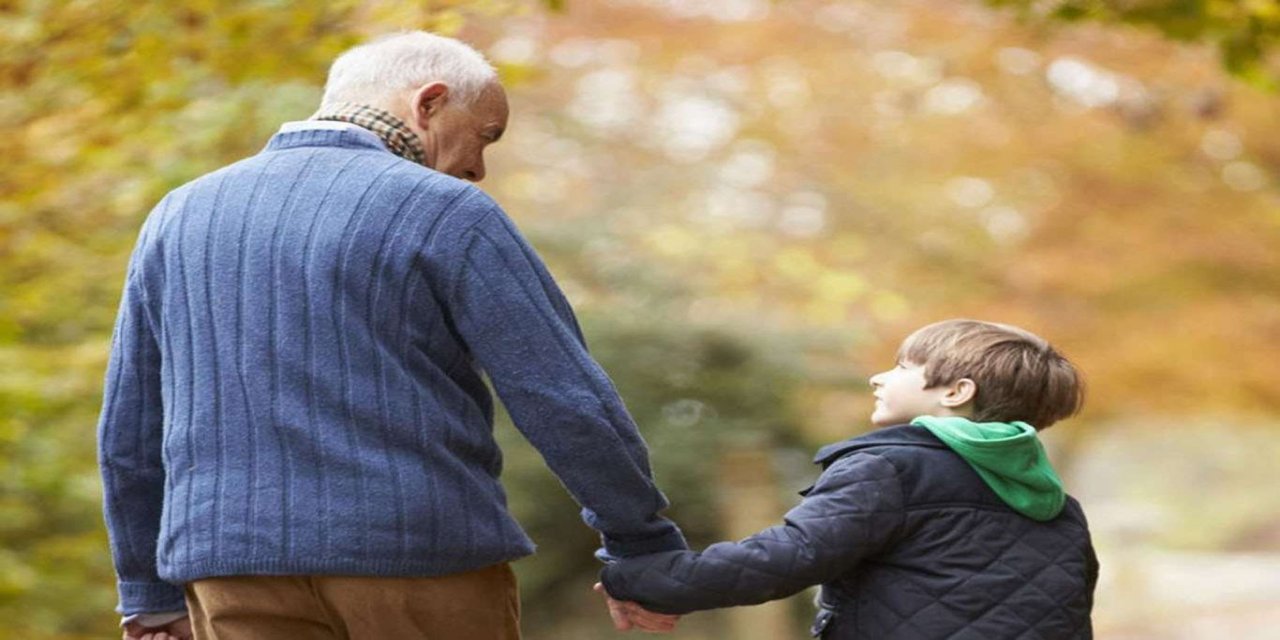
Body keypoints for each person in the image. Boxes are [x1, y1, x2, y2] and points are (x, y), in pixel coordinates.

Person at [97, 31, 687, 640]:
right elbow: (561, 394)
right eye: (485, 135)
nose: (478, 168)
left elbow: (130, 429)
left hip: (231, 572)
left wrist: (148, 596)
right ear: (429, 102)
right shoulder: (448, 210)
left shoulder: (178, 214)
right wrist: (640, 541)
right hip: (419, 560)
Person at [598, 319, 1099, 638]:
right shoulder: (1055, 503)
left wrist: (638, 577)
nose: (878, 377)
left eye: (902, 367)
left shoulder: (890, 469)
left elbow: (786, 558)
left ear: (956, 392)